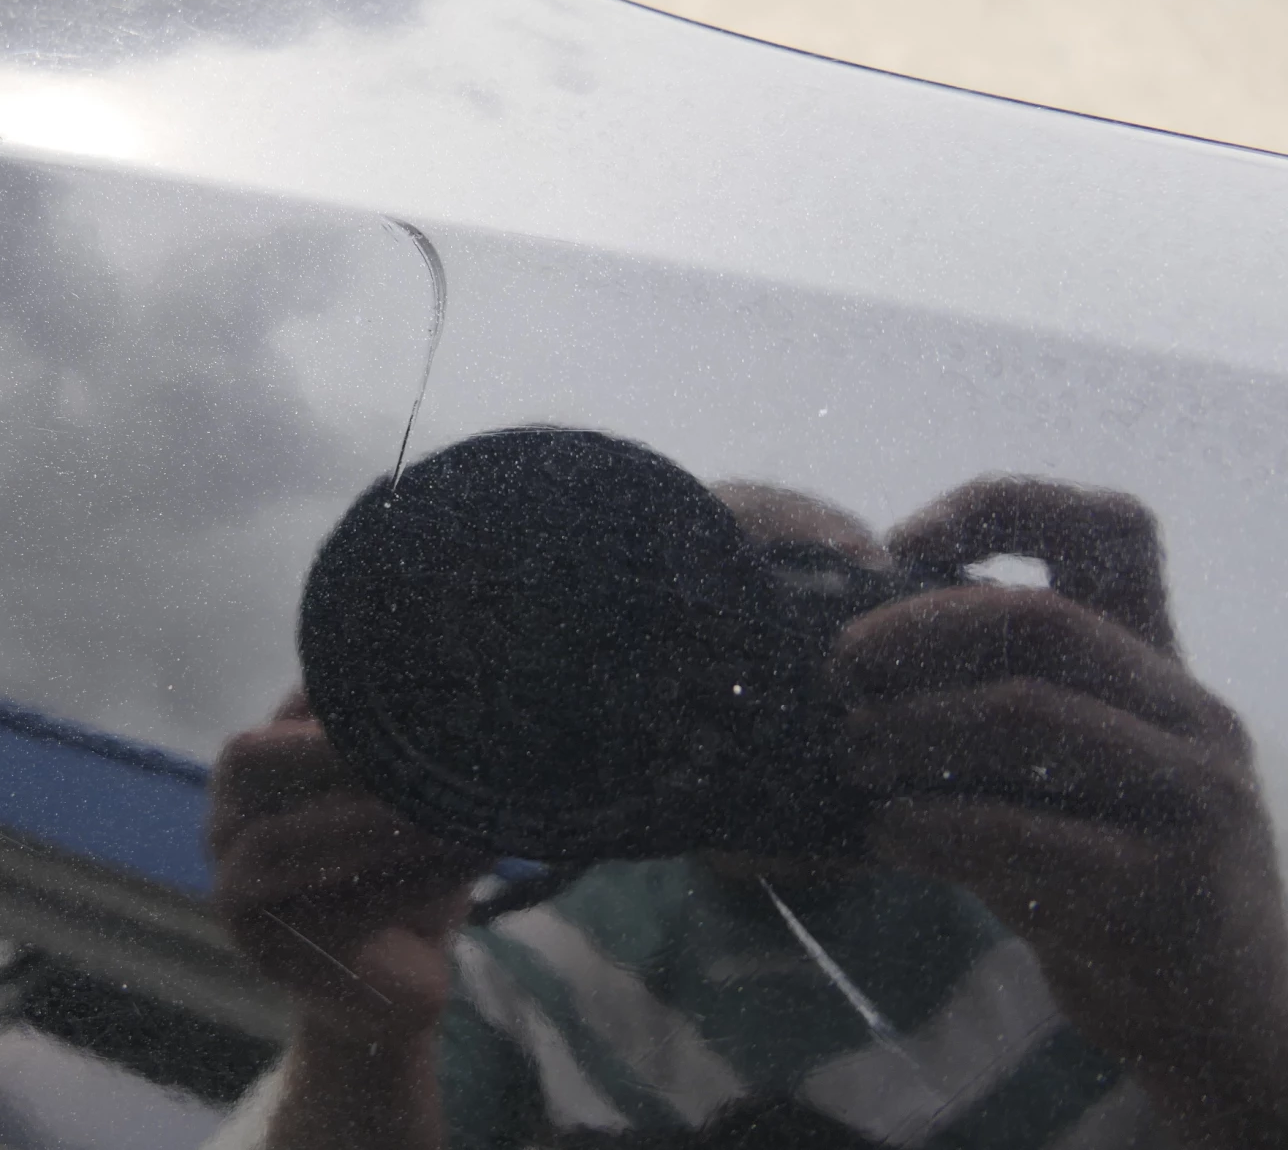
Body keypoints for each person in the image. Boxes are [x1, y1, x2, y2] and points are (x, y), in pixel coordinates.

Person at [208, 476, 1288, 1149]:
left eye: (829, 616)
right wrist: (360, 1035)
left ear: (945, 637)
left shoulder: (1111, 909)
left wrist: (1228, 1005)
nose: (771, 690)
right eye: (713, 642)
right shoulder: (507, 971)